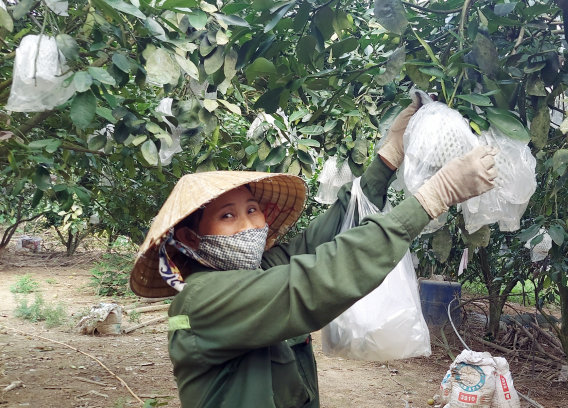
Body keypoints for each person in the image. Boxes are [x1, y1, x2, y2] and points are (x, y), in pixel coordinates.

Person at [129, 93, 499, 408]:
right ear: (193, 241)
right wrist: (434, 196)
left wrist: (386, 159)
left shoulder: (257, 271)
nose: (248, 224)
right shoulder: (201, 301)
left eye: (252, 210)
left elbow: (321, 240)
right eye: (228, 216)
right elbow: (313, 280)